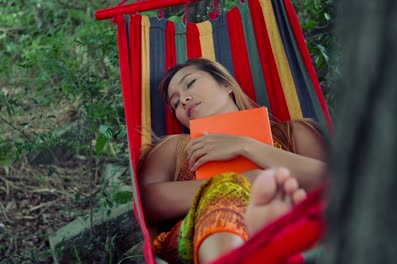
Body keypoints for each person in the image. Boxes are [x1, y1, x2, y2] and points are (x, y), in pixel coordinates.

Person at [138, 58, 328, 264]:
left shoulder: (292, 132)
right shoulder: (177, 146)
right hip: (198, 236)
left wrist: (245, 146)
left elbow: (334, 184)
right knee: (227, 191)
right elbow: (145, 200)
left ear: (227, 84)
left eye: (190, 83)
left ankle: (266, 227)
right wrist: (243, 180)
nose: (183, 100)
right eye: (175, 103)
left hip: (297, 225)